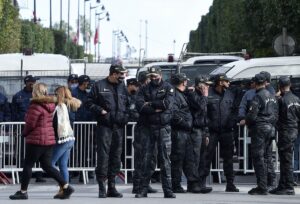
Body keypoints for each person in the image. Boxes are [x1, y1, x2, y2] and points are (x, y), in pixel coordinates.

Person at [9, 83, 74, 200]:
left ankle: (23, 192)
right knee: (47, 166)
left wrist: (24, 133)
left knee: (28, 164)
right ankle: (66, 186)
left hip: (36, 140)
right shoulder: (50, 104)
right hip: (48, 140)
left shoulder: (35, 105)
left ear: (35, 92)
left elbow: (30, 124)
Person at [86, 64, 129, 198]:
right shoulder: (99, 85)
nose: (123, 76)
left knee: (116, 158)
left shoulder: (122, 87)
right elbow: (88, 102)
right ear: (114, 74)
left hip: (119, 127)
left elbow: (128, 104)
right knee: (103, 157)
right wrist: (100, 111)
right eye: (121, 74)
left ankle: (112, 187)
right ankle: (101, 188)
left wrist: (126, 117)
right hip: (104, 127)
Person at [135, 66, 176, 198]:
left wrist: (150, 104)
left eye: (155, 76)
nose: (153, 78)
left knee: (165, 160)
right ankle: (143, 189)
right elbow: (140, 106)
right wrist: (155, 107)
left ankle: (168, 190)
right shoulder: (143, 89)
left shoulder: (168, 87)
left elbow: (167, 104)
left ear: (160, 74)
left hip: (163, 127)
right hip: (147, 128)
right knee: (146, 160)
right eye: (151, 76)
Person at [205, 73, 239, 192]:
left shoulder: (230, 94)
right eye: (226, 81)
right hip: (212, 131)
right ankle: (201, 182)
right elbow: (204, 112)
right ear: (220, 82)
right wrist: (208, 125)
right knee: (206, 157)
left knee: (228, 158)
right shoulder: (208, 93)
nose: (229, 83)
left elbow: (235, 110)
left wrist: (232, 122)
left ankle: (230, 183)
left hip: (226, 131)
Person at [246, 73, 277, 195]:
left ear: (255, 83)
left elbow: (252, 115)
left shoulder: (257, 96)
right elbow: (276, 114)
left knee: (258, 158)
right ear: (265, 82)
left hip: (259, 129)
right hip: (270, 128)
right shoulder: (272, 96)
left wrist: (247, 122)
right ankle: (271, 183)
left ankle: (262, 186)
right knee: (268, 157)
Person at [11, 75, 45, 183]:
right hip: (21, 127)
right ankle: (22, 174)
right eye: (31, 82)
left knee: (37, 151)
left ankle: (39, 175)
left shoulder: (38, 95)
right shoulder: (18, 96)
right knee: (21, 151)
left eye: (34, 82)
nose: (33, 84)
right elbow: (13, 113)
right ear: (26, 83)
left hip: (36, 128)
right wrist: (13, 126)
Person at [269, 76, 300, 195]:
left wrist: (276, 97)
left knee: (286, 161)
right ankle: (282, 185)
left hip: (285, 132)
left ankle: (289, 187)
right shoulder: (297, 99)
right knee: (285, 160)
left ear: (280, 87)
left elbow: (276, 116)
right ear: (290, 85)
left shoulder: (282, 100)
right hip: (293, 131)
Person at [52, 86, 81, 198]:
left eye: (55, 94)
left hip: (63, 138)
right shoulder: (71, 104)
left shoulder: (61, 106)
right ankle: (64, 189)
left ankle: (65, 187)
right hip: (69, 138)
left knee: (50, 164)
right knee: (63, 165)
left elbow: (58, 123)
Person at [170, 73, 197, 193]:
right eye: (186, 81)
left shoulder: (182, 94)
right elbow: (174, 113)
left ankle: (193, 184)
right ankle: (176, 185)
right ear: (183, 82)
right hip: (179, 132)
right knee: (178, 159)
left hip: (185, 131)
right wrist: (185, 123)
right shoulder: (175, 95)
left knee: (189, 159)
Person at [131, 73, 158, 194]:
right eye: (149, 79)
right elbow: (136, 111)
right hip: (142, 128)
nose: (151, 81)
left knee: (152, 158)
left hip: (151, 127)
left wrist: (150, 108)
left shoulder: (151, 92)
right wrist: (150, 110)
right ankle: (137, 185)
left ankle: (146, 183)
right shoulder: (139, 93)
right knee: (141, 158)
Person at [187, 75, 212, 194]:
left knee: (202, 158)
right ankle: (193, 183)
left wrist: (206, 133)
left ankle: (201, 183)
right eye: (205, 85)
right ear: (199, 85)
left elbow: (205, 116)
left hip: (202, 129)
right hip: (195, 130)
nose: (207, 87)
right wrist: (205, 96)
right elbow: (201, 107)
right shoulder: (193, 95)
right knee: (194, 158)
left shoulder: (202, 97)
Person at [71, 75, 95, 181]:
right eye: (87, 82)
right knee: (74, 149)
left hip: (87, 124)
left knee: (86, 149)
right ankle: (73, 170)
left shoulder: (88, 94)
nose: (88, 84)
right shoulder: (73, 93)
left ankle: (85, 171)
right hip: (75, 125)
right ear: (83, 83)